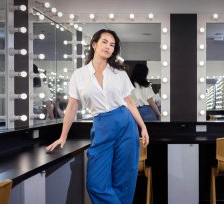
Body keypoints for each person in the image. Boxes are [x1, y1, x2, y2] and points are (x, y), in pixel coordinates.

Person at [45, 29, 149, 204]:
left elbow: (129, 102)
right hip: (101, 125)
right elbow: (71, 107)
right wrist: (63, 136)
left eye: (112, 44)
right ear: (94, 44)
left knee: (124, 180)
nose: (108, 47)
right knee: (95, 183)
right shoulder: (78, 75)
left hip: (125, 123)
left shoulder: (119, 74)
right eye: (104, 42)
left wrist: (143, 127)